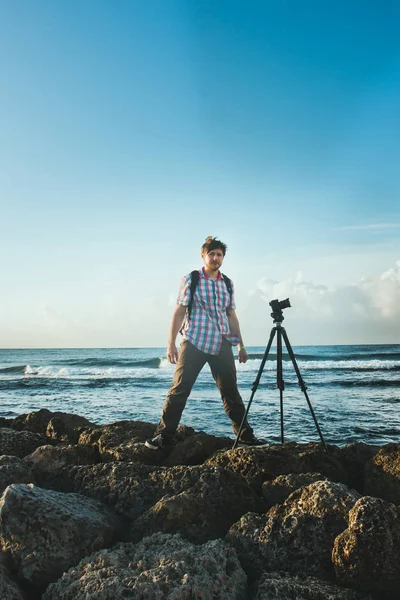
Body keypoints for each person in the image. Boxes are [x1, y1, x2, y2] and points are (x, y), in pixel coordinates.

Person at [145, 236, 266, 450]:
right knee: (179, 390)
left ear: (223, 258)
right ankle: (163, 436)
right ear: (203, 256)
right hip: (194, 342)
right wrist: (171, 343)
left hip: (222, 344)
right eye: (212, 254)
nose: (215, 258)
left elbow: (231, 315)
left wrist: (241, 345)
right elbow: (179, 311)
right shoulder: (191, 278)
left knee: (231, 392)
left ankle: (245, 437)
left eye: (219, 255)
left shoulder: (228, 283)